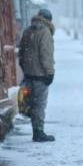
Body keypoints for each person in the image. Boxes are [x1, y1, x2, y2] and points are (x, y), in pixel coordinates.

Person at [19, 9, 55, 142]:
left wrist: (26, 69)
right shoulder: (45, 32)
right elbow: (46, 55)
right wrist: (50, 73)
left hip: (28, 75)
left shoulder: (28, 31)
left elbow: (21, 53)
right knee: (39, 104)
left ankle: (36, 130)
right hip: (41, 75)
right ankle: (38, 132)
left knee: (31, 103)